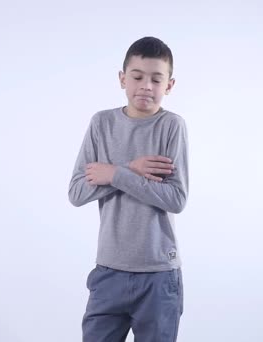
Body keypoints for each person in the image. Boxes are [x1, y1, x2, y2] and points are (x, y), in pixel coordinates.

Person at [68, 36, 189, 342]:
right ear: (122, 79)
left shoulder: (172, 126)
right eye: (137, 77)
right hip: (109, 271)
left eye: (156, 79)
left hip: (159, 275)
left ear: (169, 85)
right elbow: (77, 192)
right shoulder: (101, 124)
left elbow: (176, 199)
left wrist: (116, 174)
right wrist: (131, 170)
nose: (146, 86)